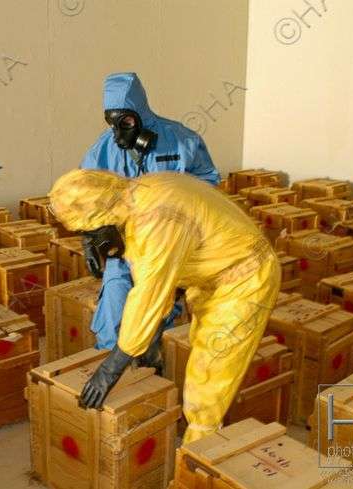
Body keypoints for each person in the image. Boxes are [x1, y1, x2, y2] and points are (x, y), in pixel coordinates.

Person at [48, 169, 281, 443]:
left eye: (88, 233)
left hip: (244, 278)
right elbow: (162, 275)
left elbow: (148, 293)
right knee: (201, 346)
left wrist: (111, 368)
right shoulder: (136, 193)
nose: (89, 239)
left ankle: (200, 452)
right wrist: (147, 335)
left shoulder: (156, 222)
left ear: (101, 215)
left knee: (210, 371)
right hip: (212, 271)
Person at [80, 72, 220, 356]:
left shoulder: (181, 140)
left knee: (156, 321)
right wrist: (91, 236)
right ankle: (114, 365)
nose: (119, 131)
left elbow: (209, 181)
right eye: (112, 122)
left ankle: (153, 369)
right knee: (114, 314)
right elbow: (84, 196)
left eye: (126, 122)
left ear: (140, 113)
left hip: (169, 247)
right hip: (126, 248)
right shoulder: (102, 149)